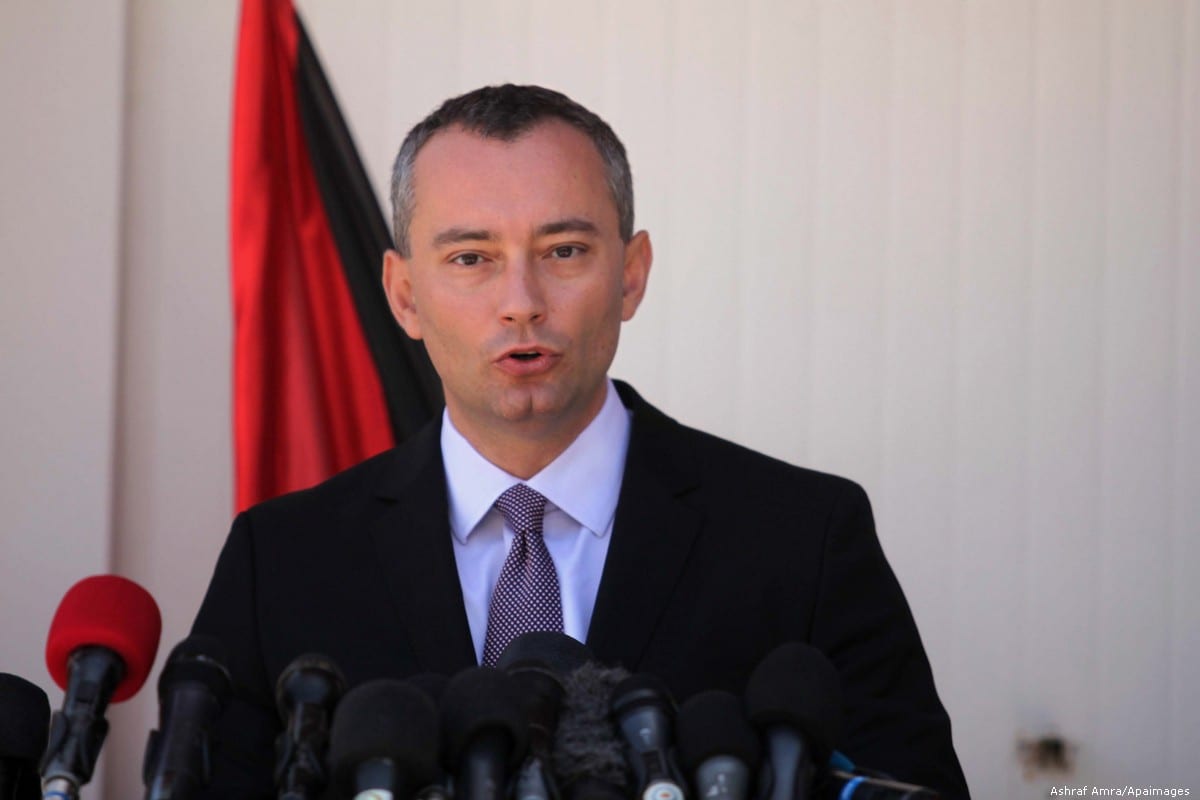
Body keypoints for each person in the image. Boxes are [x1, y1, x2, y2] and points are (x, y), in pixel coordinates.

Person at [193, 84, 969, 798]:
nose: (521, 303)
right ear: (404, 295)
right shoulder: (284, 561)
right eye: (472, 259)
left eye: (564, 251)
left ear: (631, 275)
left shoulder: (806, 539)